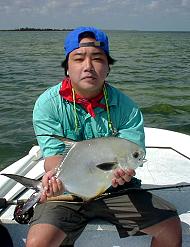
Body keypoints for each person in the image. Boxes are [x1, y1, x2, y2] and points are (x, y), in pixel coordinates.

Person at [27, 26, 182, 247]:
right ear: (67, 68)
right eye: (78, 58)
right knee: (38, 243)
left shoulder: (127, 108)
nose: (88, 66)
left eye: (98, 59)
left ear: (108, 67)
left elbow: (132, 156)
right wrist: (55, 181)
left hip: (114, 192)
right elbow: (52, 157)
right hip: (66, 194)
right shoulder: (48, 104)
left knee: (169, 228)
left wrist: (124, 175)